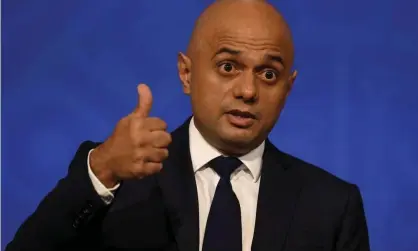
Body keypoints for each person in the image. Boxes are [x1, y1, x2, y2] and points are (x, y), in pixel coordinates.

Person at [6, 0, 370, 250]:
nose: (247, 90)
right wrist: (100, 170)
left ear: (288, 88)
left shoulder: (332, 206)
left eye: (268, 74)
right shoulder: (119, 178)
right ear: (186, 73)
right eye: (228, 67)